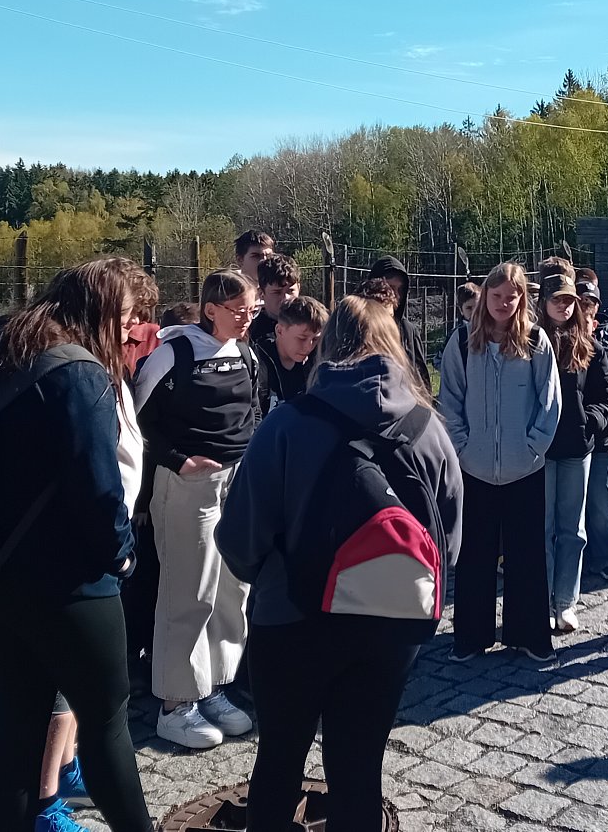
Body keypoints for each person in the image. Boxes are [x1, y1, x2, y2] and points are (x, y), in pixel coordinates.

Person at [216, 295, 463, 832]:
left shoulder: (286, 424)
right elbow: (447, 544)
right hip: (391, 623)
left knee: (279, 758)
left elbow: (238, 538)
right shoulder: (429, 428)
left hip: (291, 617)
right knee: (359, 768)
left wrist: (272, 578)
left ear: (327, 346)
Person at [0, 258, 158, 832]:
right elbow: (97, 487)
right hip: (70, 581)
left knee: (17, 723)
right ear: (100, 309)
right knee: (107, 722)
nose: (131, 329)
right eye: (127, 316)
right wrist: (123, 554)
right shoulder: (79, 372)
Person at [131, 268, 260, 750]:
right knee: (189, 590)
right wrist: (178, 461)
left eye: (251, 310)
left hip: (236, 481)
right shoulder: (174, 353)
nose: (246, 319)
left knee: (230, 590)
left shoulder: (245, 352)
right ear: (210, 310)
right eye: (238, 310)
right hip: (188, 485)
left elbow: (253, 410)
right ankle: (176, 703)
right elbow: (138, 419)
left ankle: (215, 687)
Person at [439, 261, 562, 664]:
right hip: (474, 469)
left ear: (522, 299)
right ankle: (471, 636)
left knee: (527, 556)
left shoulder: (536, 340)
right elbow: (450, 399)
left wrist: (533, 447)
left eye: (512, 297)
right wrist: (462, 447)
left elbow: (549, 401)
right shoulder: (461, 341)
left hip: (524, 468)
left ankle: (528, 635)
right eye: (496, 296)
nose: (503, 303)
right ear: (485, 297)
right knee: (475, 556)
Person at [538, 268, 608, 633]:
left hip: (575, 448)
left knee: (573, 529)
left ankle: (566, 601)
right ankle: (542, 599)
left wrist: (590, 422)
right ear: (544, 302)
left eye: (569, 300)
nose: (564, 306)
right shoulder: (530, 343)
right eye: (557, 299)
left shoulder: (590, 346)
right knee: (543, 529)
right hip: (539, 450)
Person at [577, 270, 608, 581]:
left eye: (591, 304)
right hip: (574, 441)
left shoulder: (607, 347)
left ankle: (605, 558)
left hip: (602, 440)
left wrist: (604, 428)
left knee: (601, 501)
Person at [253, 294, 328, 419]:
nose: (308, 347)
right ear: (279, 331)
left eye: (315, 339)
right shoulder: (258, 363)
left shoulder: (316, 363)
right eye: (301, 338)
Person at [367, 255, 434, 391]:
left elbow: (422, 383)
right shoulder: (356, 328)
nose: (396, 295)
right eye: (390, 288)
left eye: (400, 290)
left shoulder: (408, 332)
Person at [249, 254, 302, 356]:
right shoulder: (251, 334)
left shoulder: (313, 327)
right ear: (261, 294)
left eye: (291, 291)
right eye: (277, 292)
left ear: (299, 288)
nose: (286, 298)